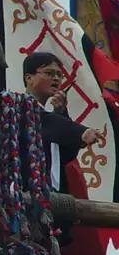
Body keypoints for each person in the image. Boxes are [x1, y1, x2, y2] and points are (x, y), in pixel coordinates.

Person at [23, 51, 102, 192]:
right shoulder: (19, 109)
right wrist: (81, 132)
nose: (56, 78)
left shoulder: (51, 119)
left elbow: (66, 155)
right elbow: (43, 121)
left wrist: (61, 112)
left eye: (59, 75)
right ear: (29, 78)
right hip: (27, 192)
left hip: (51, 193)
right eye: (49, 73)